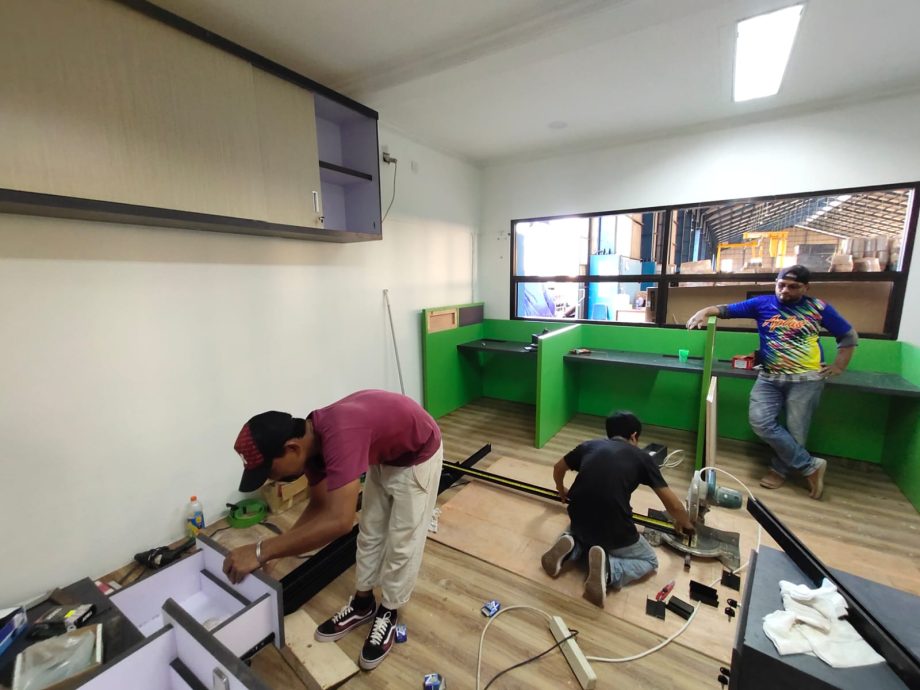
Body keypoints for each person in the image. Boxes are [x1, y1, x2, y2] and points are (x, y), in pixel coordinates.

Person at [222, 389, 443, 671]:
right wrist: (274, 554)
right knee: (370, 533)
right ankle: (363, 604)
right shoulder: (312, 445)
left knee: (403, 541)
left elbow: (339, 521)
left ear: (292, 448)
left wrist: (260, 551)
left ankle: (389, 611)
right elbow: (320, 506)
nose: (272, 479)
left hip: (417, 454)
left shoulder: (340, 435)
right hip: (385, 455)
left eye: (270, 471)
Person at [686, 265, 858, 500]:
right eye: (781, 285)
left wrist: (839, 366)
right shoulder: (762, 304)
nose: (785, 290)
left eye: (793, 287)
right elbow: (727, 310)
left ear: (806, 288)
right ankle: (810, 466)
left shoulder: (818, 307)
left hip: (806, 379)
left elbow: (848, 335)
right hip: (769, 377)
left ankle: (779, 471)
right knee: (760, 421)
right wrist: (705, 311)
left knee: (796, 430)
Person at [541, 411, 694, 607]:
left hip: (577, 515)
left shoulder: (589, 445)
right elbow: (673, 505)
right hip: (613, 527)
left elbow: (558, 468)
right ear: (634, 436)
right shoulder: (642, 457)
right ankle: (609, 570)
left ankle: (572, 545)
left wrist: (561, 490)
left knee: (583, 526)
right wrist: (686, 524)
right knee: (650, 561)